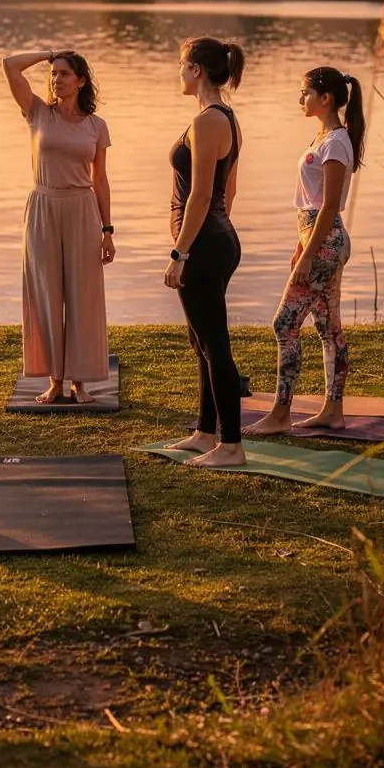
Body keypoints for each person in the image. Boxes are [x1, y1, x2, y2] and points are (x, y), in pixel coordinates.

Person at [246, 66, 365, 435]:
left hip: (326, 243)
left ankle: (281, 414)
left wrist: (311, 253)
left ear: (324, 98)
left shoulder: (336, 143)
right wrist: (301, 247)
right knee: (328, 328)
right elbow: (312, 203)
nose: (301, 99)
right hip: (318, 240)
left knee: (284, 324)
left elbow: (328, 207)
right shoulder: (325, 137)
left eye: (306, 93)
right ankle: (333, 412)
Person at [2, 47, 114, 404]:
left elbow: (100, 180)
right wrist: (50, 54)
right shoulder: (37, 112)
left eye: (64, 73)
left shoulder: (96, 126)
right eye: (54, 74)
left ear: (80, 81)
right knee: (46, 294)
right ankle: (54, 380)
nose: (56, 79)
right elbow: (10, 65)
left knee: (82, 295)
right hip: (43, 207)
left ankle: (79, 382)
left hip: (82, 209)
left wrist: (107, 231)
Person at [165, 37, 246, 468]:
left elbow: (200, 195)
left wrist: (181, 253)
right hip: (216, 239)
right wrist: (214, 235)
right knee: (201, 340)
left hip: (202, 244)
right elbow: (228, 191)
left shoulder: (206, 121)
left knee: (214, 344)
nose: (179, 73)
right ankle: (205, 432)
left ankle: (231, 445)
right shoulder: (226, 117)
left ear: (196, 69)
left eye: (182, 65)